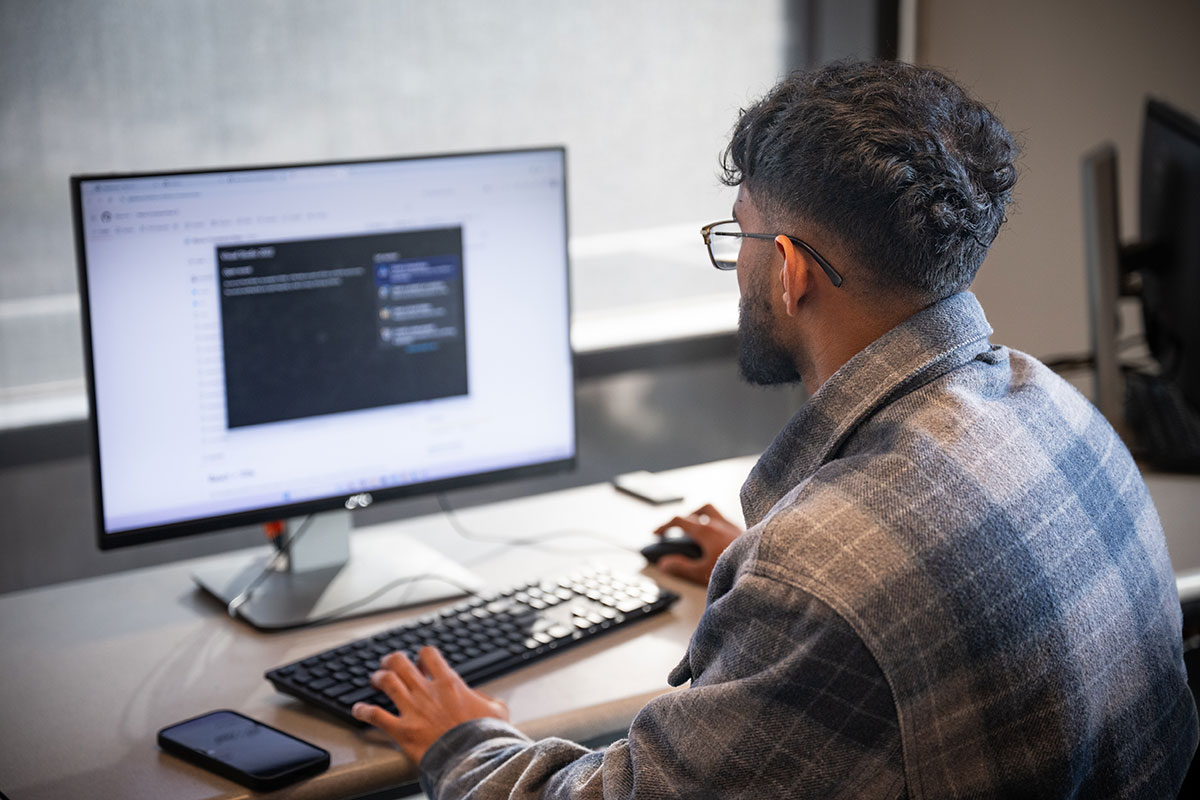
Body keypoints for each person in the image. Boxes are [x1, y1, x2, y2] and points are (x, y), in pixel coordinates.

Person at [352, 61, 1199, 798]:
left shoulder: (822, 582)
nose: (738, 265)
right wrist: (766, 566)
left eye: (741, 234)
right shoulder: (1063, 411)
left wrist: (461, 739)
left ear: (790, 270)